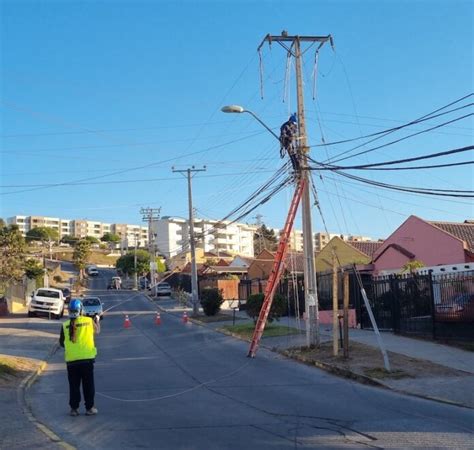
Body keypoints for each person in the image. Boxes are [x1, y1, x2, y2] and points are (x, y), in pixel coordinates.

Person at [59, 299, 100, 416]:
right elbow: (97, 331)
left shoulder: (65, 325)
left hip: (71, 362)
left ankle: (74, 409)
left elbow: (62, 343)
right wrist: (97, 320)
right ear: (81, 310)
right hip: (87, 360)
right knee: (88, 386)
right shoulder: (88, 321)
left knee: (74, 386)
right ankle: (89, 408)